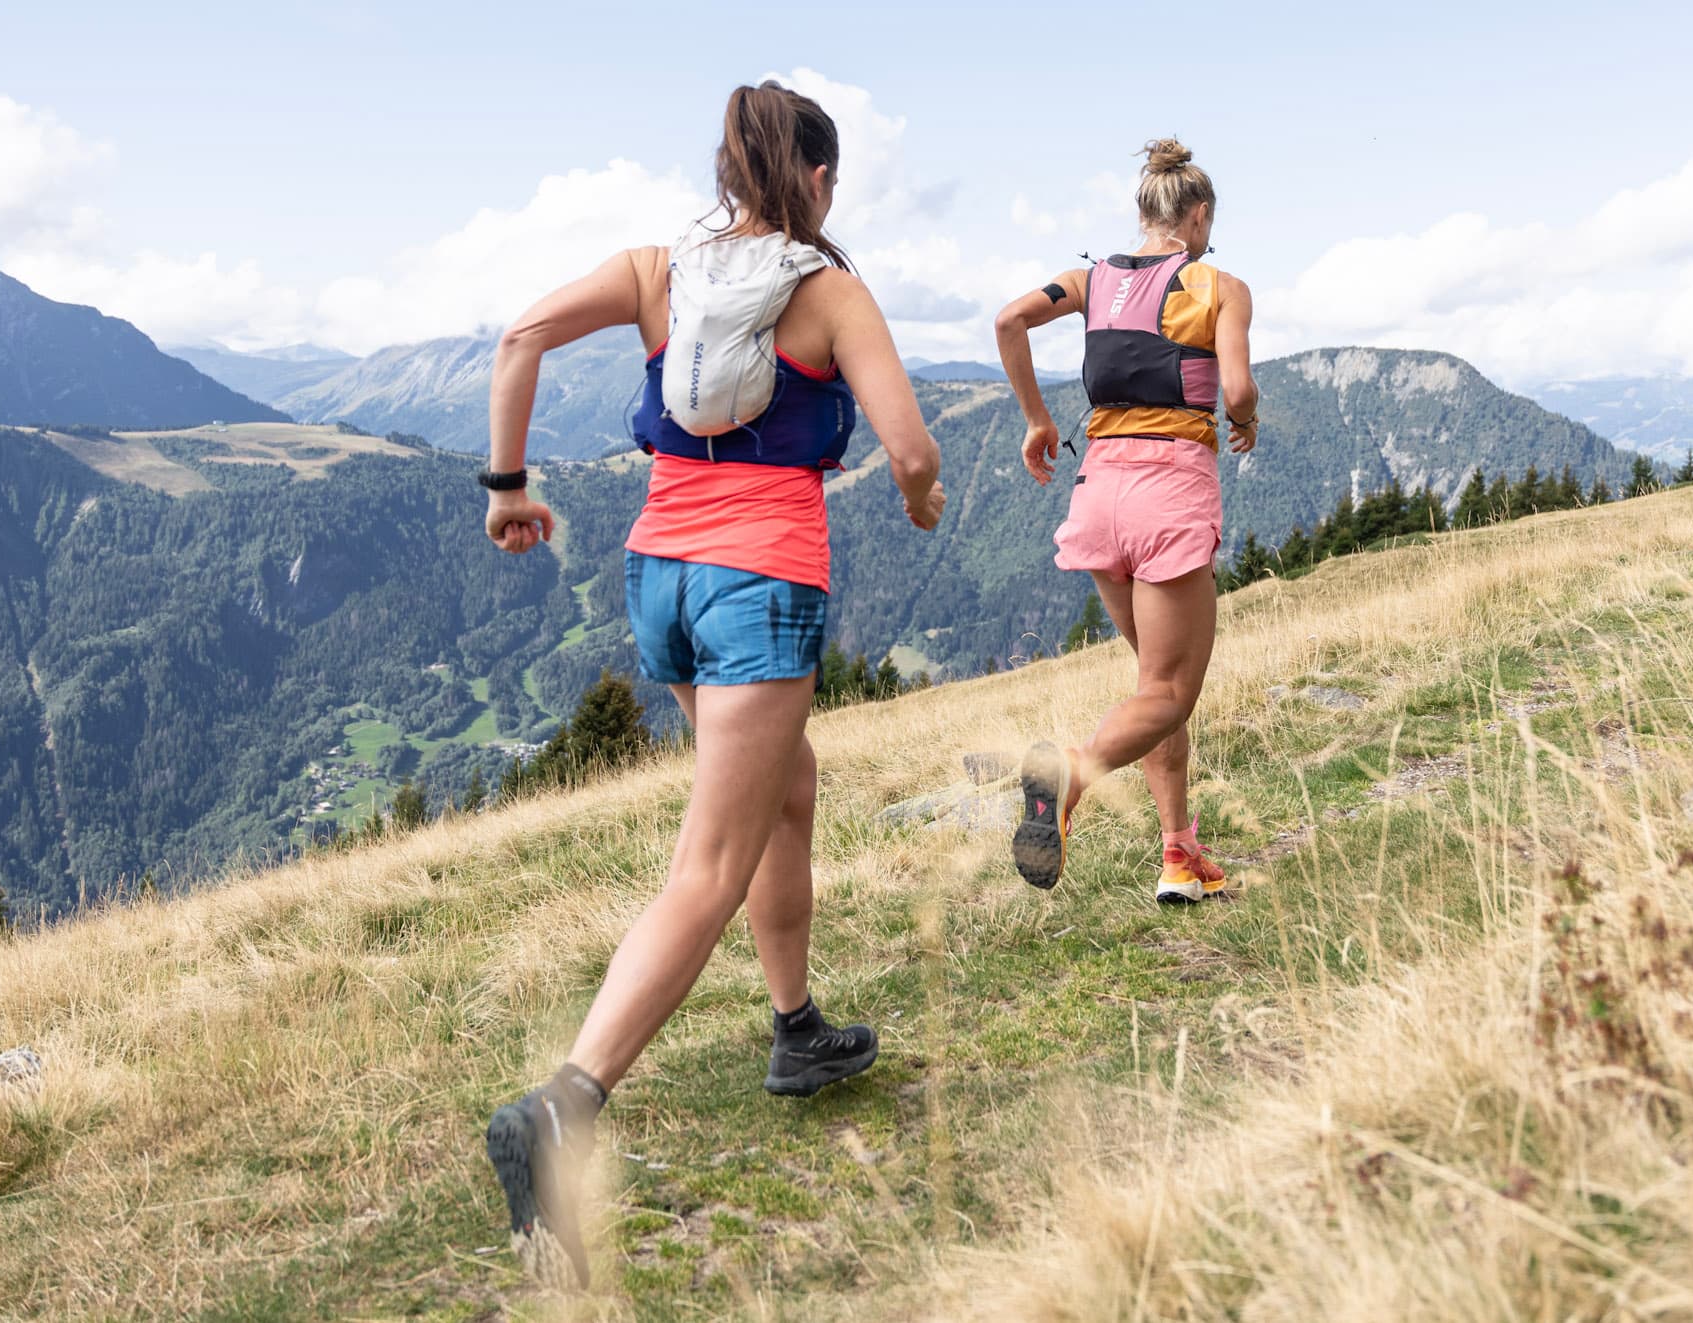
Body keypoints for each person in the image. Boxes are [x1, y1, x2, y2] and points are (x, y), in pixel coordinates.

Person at [476, 81, 944, 1289]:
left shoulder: (653, 271)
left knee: (787, 789)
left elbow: (519, 336)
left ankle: (796, 1033)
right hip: (760, 583)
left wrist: (508, 488)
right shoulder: (827, 289)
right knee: (711, 859)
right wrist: (919, 490)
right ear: (819, 182)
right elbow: (906, 442)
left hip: (657, 578)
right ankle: (565, 1106)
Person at [992, 138, 1257, 905]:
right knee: (1171, 692)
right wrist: (1248, 417)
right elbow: (1235, 389)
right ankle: (1070, 774)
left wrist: (1038, 421)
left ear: (1143, 212)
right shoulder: (1220, 286)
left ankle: (1180, 853)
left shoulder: (1088, 279)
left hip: (1098, 491)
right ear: (1198, 215)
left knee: (1153, 686)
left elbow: (1009, 320)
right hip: (1168, 494)